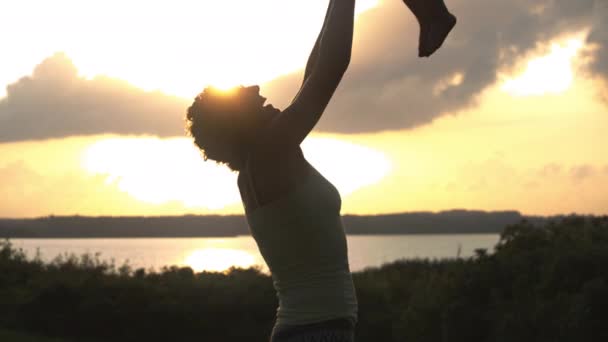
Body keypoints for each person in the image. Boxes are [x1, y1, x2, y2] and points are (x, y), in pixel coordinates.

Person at [186, 1, 456, 340]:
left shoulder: (267, 161)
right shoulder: (270, 155)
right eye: (244, 95)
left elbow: (314, 72)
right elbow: (330, 69)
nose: (256, 89)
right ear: (236, 123)